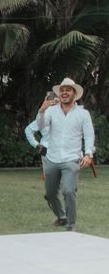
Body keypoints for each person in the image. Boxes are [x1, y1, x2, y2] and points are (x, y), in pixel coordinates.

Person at [36, 78, 94, 231]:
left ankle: (71, 226)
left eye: (68, 90)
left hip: (71, 159)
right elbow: (40, 126)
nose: (64, 93)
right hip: (52, 158)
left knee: (68, 190)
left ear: (74, 94)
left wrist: (88, 154)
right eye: (62, 90)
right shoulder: (51, 110)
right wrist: (41, 110)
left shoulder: (83, 114)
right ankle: (62, 217)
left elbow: (89, 135)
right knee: (49, 194)